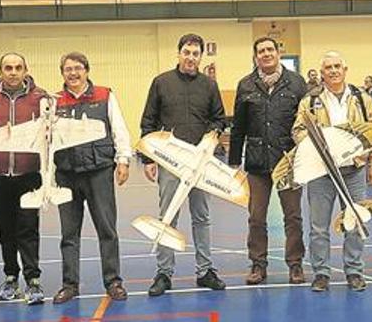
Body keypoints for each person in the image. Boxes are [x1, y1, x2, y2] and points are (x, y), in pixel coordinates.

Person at [141, 33, 228, 297]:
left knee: (202, 217)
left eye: (195, 53)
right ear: (179, 54)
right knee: (168, 217)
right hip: (171, 163)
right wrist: (148, 158)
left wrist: (212, 134)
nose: (191, 58)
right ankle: (164, 273)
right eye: (187, 52)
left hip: (200, 164)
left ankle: (205, 270)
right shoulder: (161, 83)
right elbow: (148, 122)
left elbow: (219, 118)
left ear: (201, 57)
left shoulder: (209, 86)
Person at [291, 51, 372, 292]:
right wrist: (315, 143)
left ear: (345, 69)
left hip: (354, 170)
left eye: (337, 66)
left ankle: (354, 272)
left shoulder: (361, 98)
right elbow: (297, 130)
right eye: (328, 67)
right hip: (321, 173)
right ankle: (321, 273)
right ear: (322, 74)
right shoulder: (310, 101)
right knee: (318, 227)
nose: (333, 71)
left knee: (355, 221)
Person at [52, 52, 131, 304]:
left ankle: (113, 281)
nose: (73, 73)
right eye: (68, 69)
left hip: (99, 171)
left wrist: (123, 159)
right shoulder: (53, 101)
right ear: (62, 73)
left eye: (77, 68)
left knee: (107, 229)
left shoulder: (105, 95)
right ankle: (70, 284)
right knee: (69, 234)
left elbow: (118, 128)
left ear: (87, 70)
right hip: (66, 174)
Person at [229, 37, 309, 286]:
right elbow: (238, 126)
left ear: (277, 52)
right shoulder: (245, 85)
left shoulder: (297, 83)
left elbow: (307, 122)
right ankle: (257, 265)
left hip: (289, 162)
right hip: (256, 162)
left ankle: (295, 264)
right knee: (256, 217)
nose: (266, 54)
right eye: (261, 51)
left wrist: (307, 157)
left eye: (270, 50)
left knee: (293, 216)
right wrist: (233, 161)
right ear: (256, 57)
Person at [0, 53, 47, 304]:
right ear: (0, 71)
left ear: (26, 70)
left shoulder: (41, 97)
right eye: (8, 68)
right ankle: (10, 277)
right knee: (5, 231)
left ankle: (33, 281)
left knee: (28, 229)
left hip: (29, 176)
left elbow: (50, 131)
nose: (13, 72)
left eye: (18, 68)